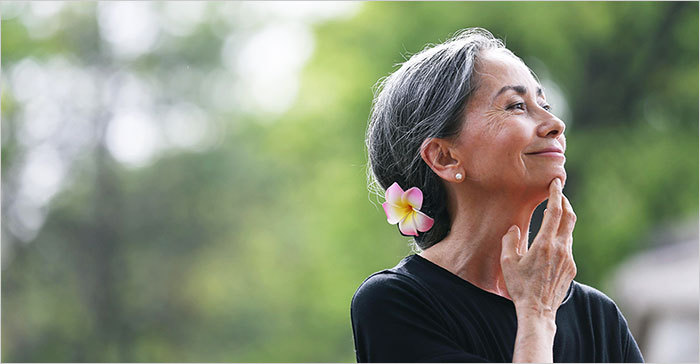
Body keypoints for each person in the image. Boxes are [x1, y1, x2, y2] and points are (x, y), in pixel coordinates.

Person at [351, 28, 644, 363]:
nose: (555, 123)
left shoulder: (598, 317)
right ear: (445, 158)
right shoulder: (394, 304)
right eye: (516, 106)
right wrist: (536, 313)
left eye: (544, 104)